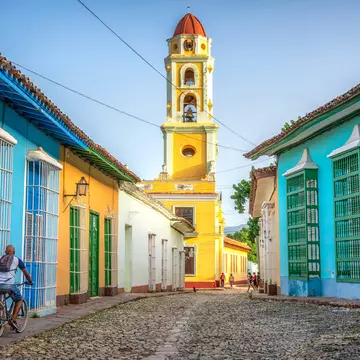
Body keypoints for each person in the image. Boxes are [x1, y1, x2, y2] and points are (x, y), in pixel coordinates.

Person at [0, 245, 33, 330]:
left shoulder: (0, 258)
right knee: (19, 300)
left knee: (1, 298)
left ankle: (1, 305)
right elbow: (26, 273)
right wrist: (30, 281)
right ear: (14, 252)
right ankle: (13, 320)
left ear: (5, 252)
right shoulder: (17, 260)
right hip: (9, 284)